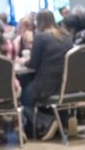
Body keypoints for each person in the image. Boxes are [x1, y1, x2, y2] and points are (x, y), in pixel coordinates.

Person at [21, 10, 74, 141]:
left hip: (48, 84)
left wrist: (23, 62)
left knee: (23, 98)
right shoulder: (66, 35)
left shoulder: (41, 37)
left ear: (38, 22)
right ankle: (66, 120)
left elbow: (33, 64)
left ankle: (47, 121)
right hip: (67, 83)